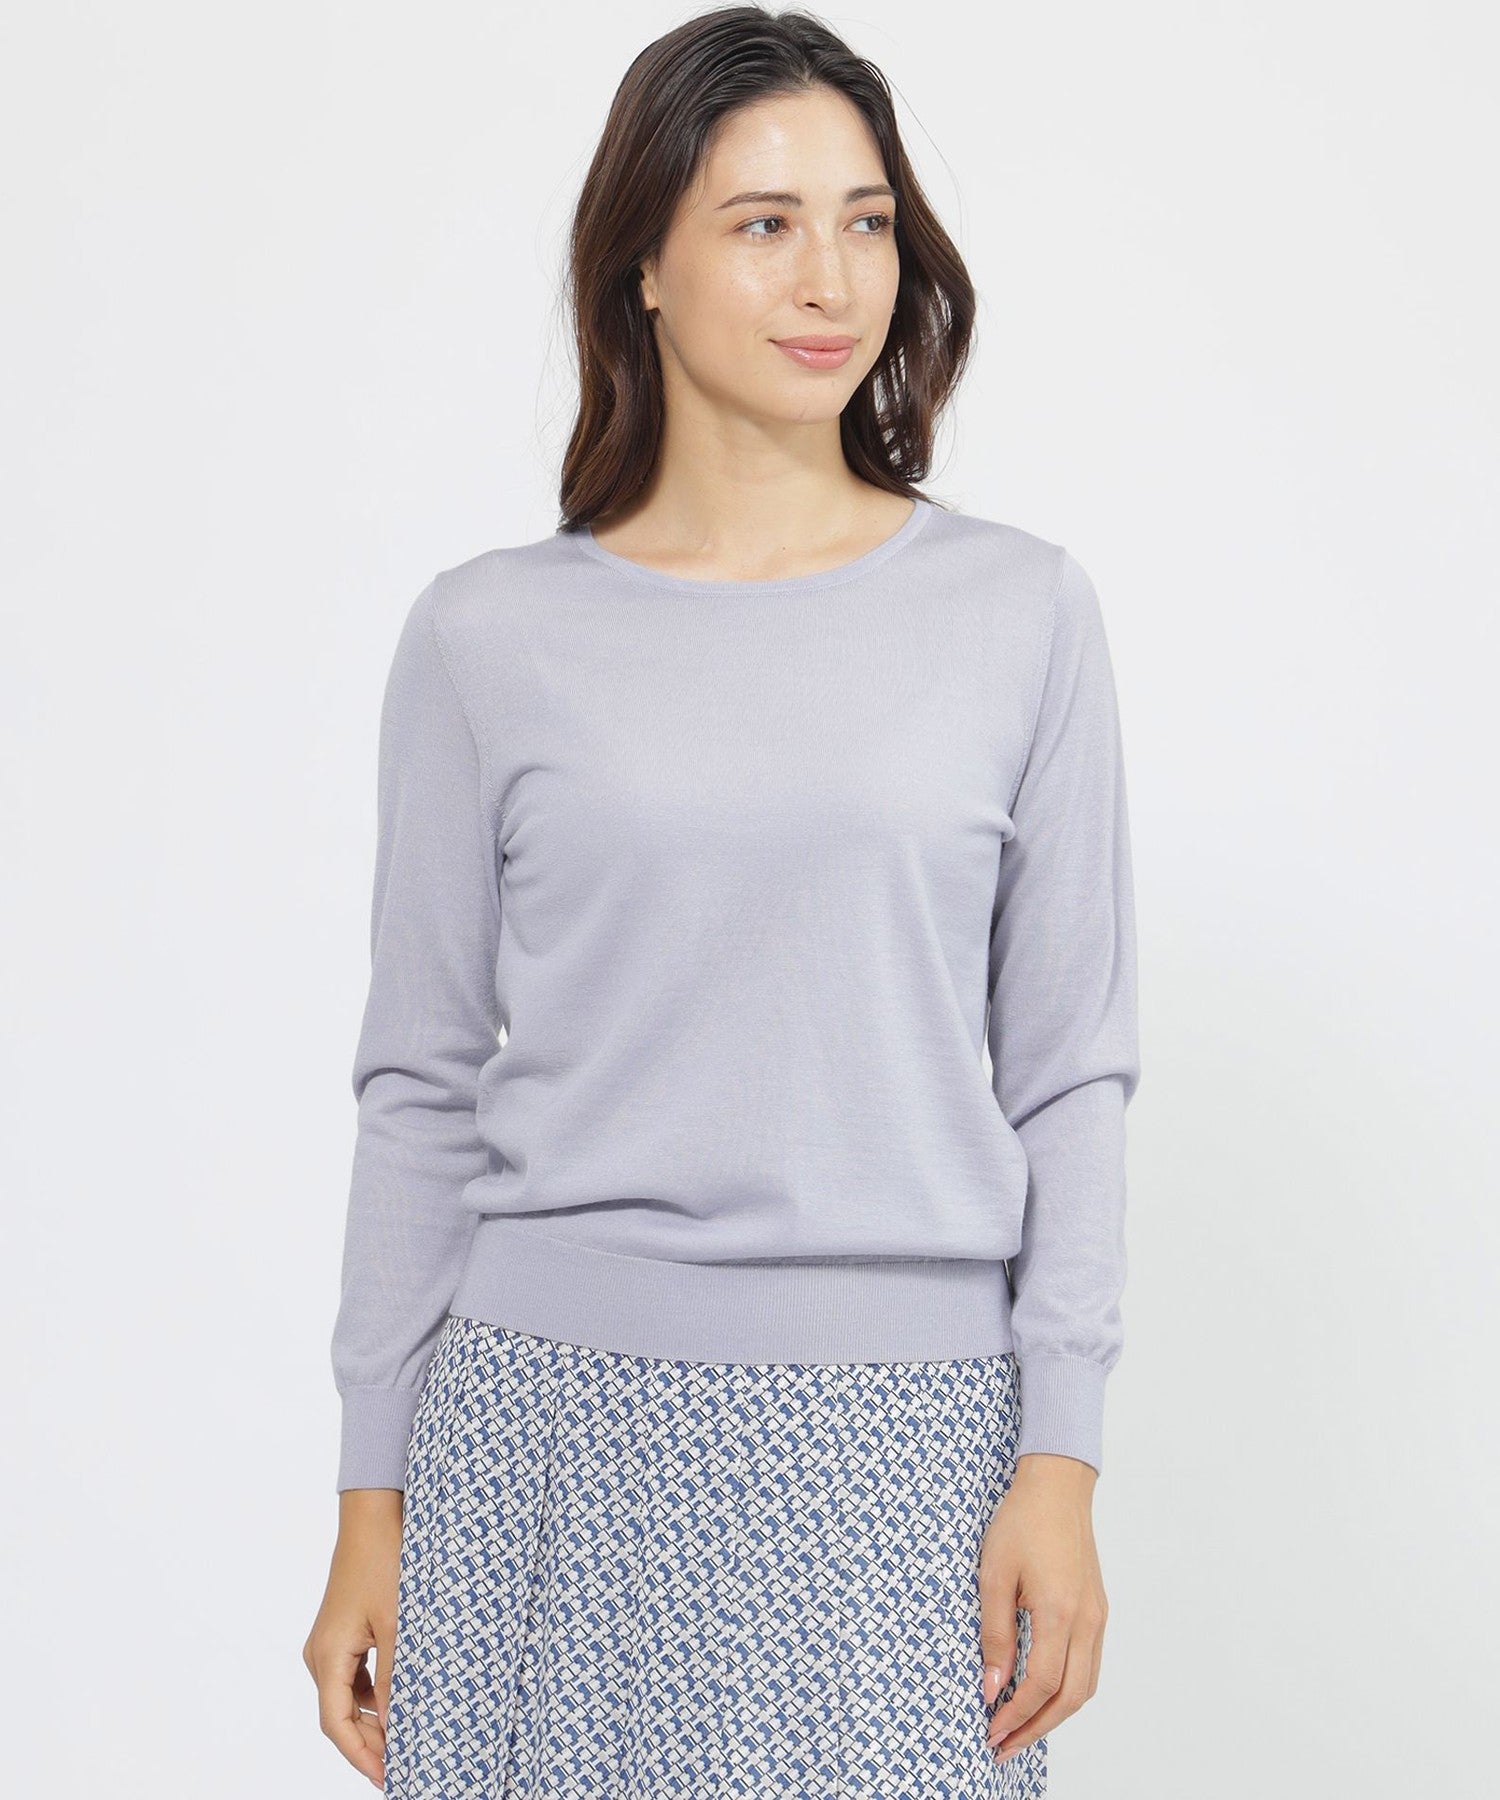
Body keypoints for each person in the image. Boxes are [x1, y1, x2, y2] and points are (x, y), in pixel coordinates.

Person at [302, 8, 1141, 1796]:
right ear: (644, 267)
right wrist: (372, 1496)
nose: (830, 278)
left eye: (865, 221)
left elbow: (1069, 1073)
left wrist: (1059, 1460)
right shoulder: (487, 638)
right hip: (545, 1445)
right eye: (764, 224)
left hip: (907, 1453)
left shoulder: (1021, 616)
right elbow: (419, 1085)